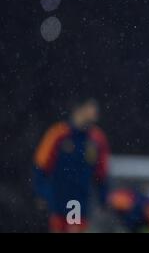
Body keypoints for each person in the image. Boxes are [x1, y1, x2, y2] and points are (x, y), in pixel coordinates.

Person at [33, 98, 110, 232]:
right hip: (58, 201)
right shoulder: (58, 134)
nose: (96, 111)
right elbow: (40, 166)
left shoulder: (97, 139)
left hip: (79, 203)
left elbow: (101, 174)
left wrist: (103, 199)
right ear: (79, 109)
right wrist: (43, 194)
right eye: (91, 106)